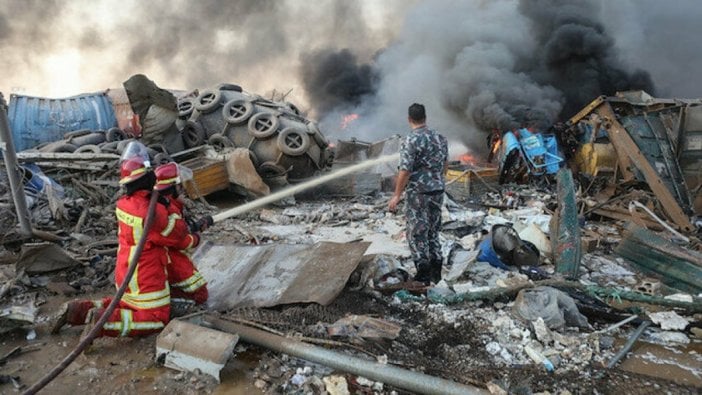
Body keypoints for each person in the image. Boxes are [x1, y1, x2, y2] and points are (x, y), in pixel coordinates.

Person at [51, 141, 197, 337]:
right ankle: (102, 324)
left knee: (127, 303)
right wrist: (169, 204)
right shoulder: (152, 212)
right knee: (156, 318)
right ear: (146, 178)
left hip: (126, 270)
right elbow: (178, 234)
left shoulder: (124, 203)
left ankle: (78, 311)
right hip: (146, 275)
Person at [388, 103, 448, 284]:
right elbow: (445, 165)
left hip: (418, 193)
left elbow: (405, 170)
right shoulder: (440, 138)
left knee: (416, 232)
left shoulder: (410, 140)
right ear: (425, 118)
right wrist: (436, 180)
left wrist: (397, 195)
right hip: (437, 190)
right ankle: (437, 272)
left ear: (409, 119)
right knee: (433, 230)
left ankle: (423, 275)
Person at [153, 162, 209, 307]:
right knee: (200, 294)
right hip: (169, 258)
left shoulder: (169, 205)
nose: (183, 190)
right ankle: (172, 305)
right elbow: (180, 242)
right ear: (171, 189)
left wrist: (194, 227)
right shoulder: (169, 210)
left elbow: (179, 231)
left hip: (166, 257)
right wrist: (196, 237)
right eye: (180, 186)